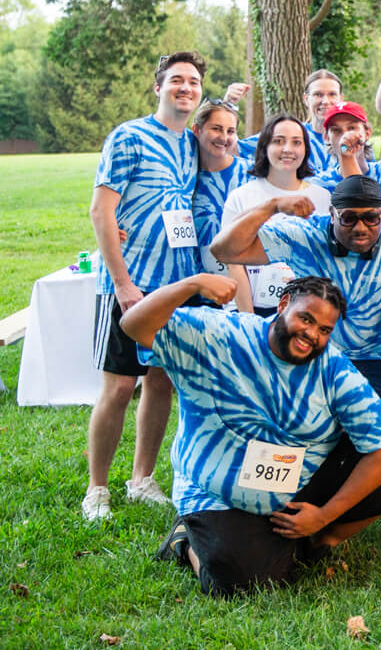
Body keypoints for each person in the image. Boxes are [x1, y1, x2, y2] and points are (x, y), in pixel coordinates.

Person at [122, 273, 381, 597]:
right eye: (306, 319)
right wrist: (191, 285)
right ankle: (185, 540)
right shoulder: (222, 333)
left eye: (324, 330)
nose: (312, 335)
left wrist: (323, 517)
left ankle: (317, 542)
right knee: (238, 584)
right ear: (283, 304)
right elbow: (134, 325)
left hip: (293, 484)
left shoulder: (333, 369)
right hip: (215, 490)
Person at [210, 174, 381, 540]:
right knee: (282, 417)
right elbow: (223, 250)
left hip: (377, 348)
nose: (361, 227)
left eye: (371, 217)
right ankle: (269, 495)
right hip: (314, 345)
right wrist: (271, 206)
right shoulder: (304, 233)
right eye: (349, 217)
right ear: (331, 214)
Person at [82, 51, 205, 521]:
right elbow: (101, 210)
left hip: (175, 287)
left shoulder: (193, 143)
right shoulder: (129, 136)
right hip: (130, 284)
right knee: (118, 388)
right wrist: (122, 283)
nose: (185, 88)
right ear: (158, 87)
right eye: (176, 80)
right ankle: (97, 489)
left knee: (161, 382)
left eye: (193, 82)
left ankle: (142, 479)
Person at [221, 114, 332, 317]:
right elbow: (233, 262)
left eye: (296, 142)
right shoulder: (240, 197)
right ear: (265, 146)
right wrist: (249, 320)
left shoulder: (323, 198)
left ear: (305, 149)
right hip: (251, 310)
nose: (288, 149)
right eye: (278, 141)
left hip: (307, 313)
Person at [191, 99, 250, 284]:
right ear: (197, 130)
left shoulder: (251, 174)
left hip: (242, 283)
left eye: (230, 131)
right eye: (216, 129)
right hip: (191, 283)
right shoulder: (184, 176)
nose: (224, 138)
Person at [236, 69, 343, 171]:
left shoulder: (349, 138)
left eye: (332, 94)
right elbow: (235, 149)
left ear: (341, 99)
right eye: (318, 94)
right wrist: (230, 104)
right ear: (306, 99)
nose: (325, 101)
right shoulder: (290, 133)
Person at [312, 102, 381, 191]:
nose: (346, 136)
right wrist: (344, 153)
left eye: (351, 128)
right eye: (336, 131)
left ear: (367, 133)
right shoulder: (320, 185)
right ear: (327, 138)